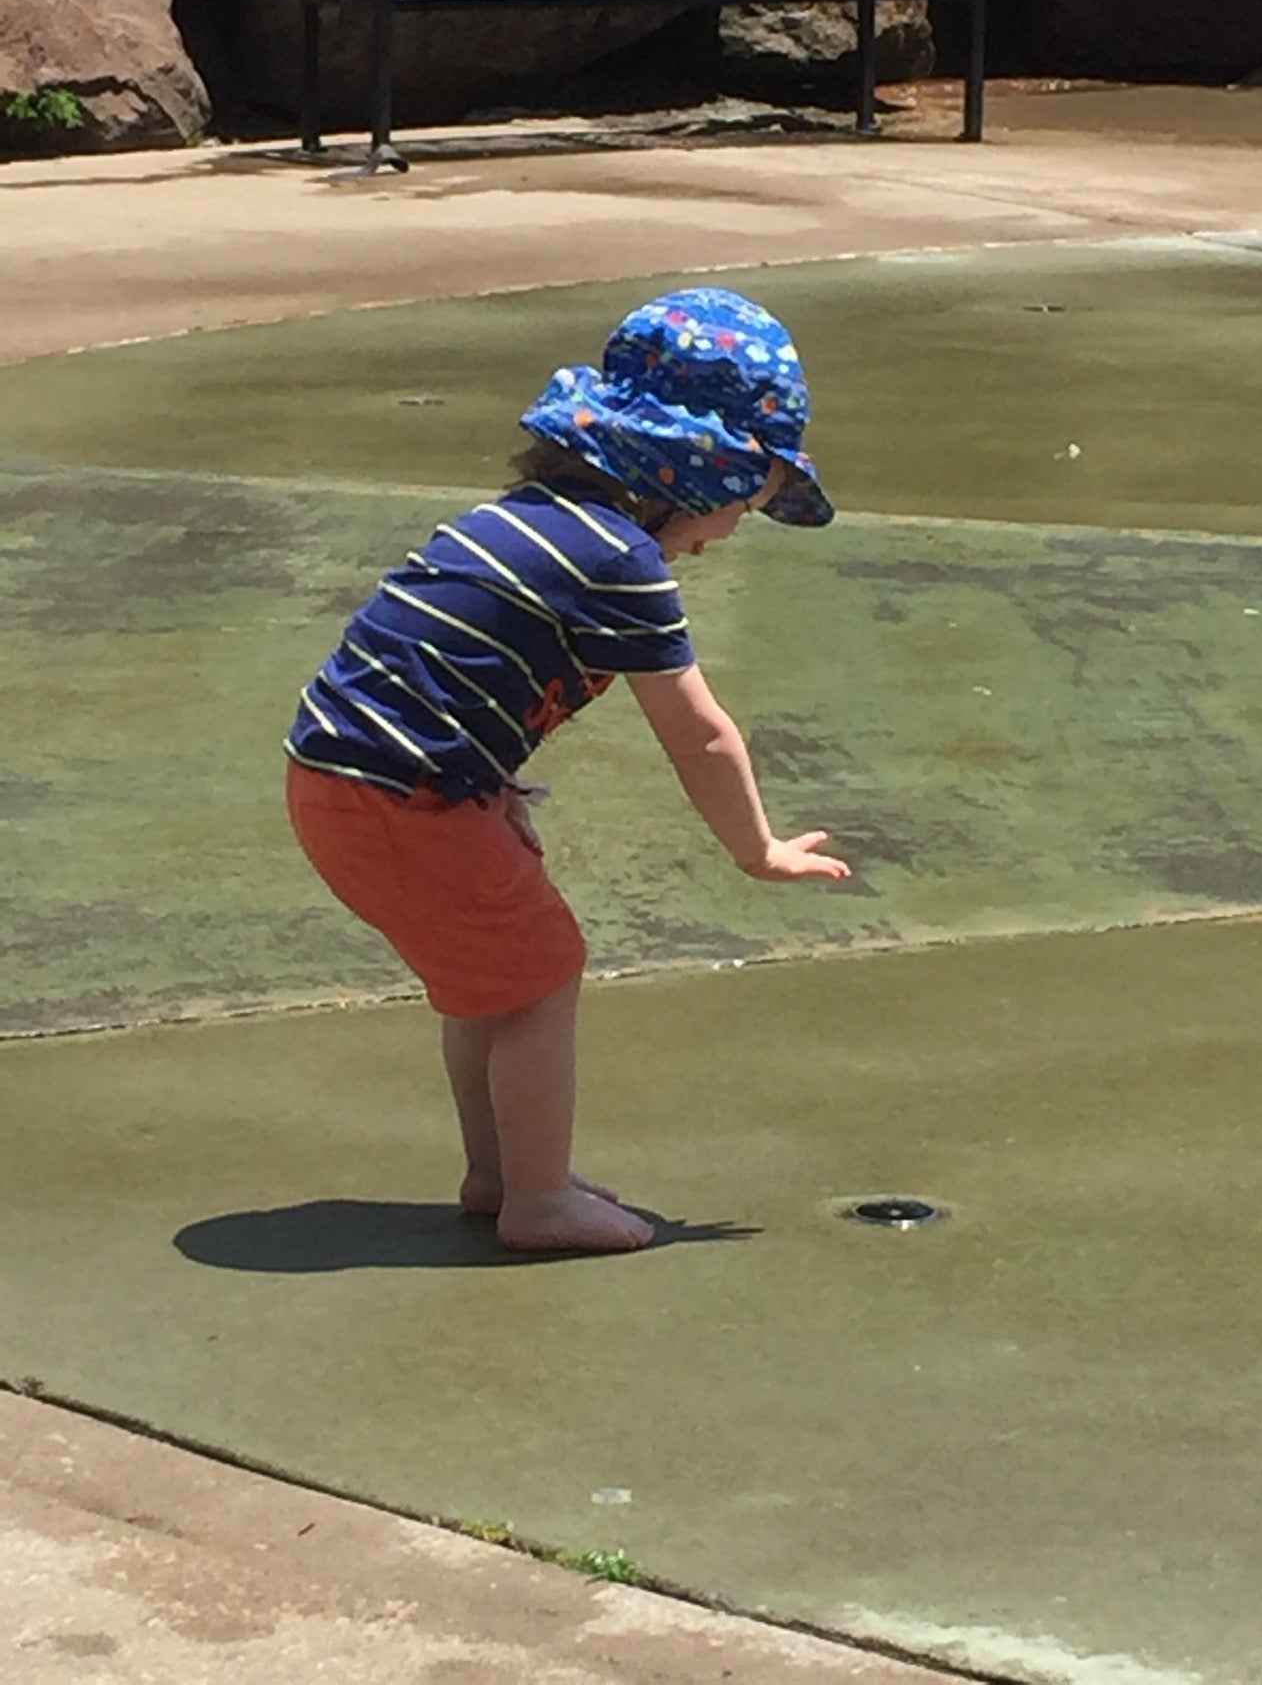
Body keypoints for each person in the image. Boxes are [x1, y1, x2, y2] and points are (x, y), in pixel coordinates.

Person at [284, 287, 850, 1254]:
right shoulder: (619, 562)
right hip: (399, 794)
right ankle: (537, 1201)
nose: (728, 535)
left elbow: (438, 659)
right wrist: (757, 850)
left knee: (489, 987)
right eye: (743, 508)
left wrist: (487, 785)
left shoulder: (533, 524)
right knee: (544, 976)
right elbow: (702, 733)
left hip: (340, 778)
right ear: (694, 475)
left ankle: (501, 1170)